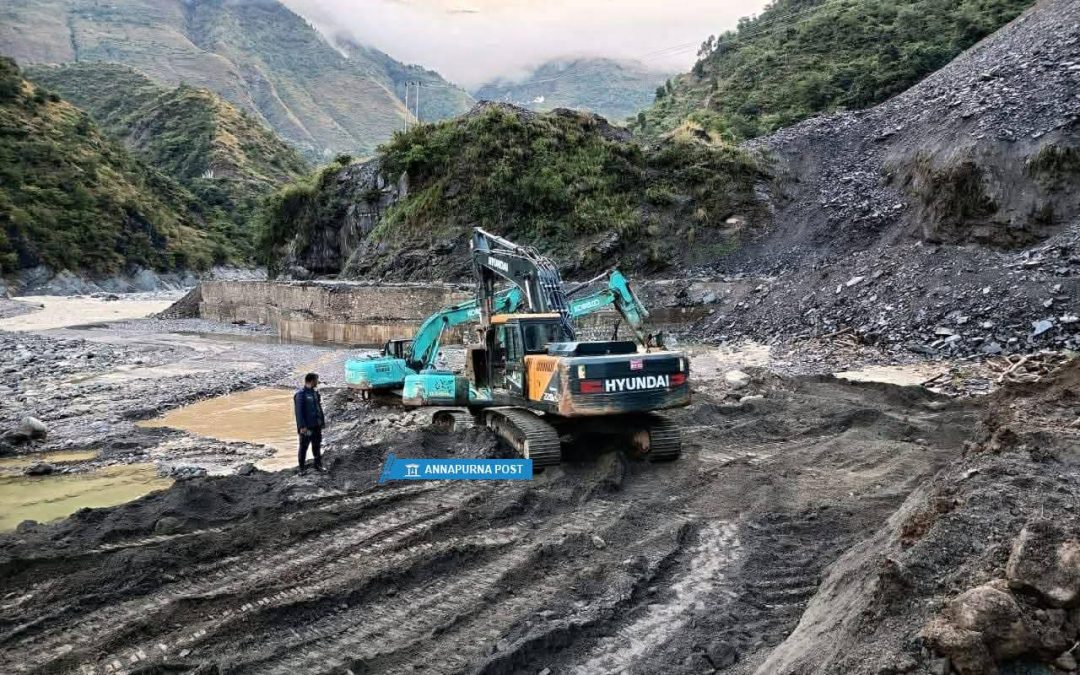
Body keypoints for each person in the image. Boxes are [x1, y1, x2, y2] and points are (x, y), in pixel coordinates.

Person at [294, 372, 326, 474]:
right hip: (306, 427)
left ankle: (318, 465)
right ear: (312, 381)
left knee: (316, 446)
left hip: (316, 425)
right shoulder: (300, 394)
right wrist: (302, 426)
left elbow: (318, 408)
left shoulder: (315, 393)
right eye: (317, 380)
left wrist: (322, 422)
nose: (318, 382)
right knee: (304, 447)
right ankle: (301, 468)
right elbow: (299, 412)